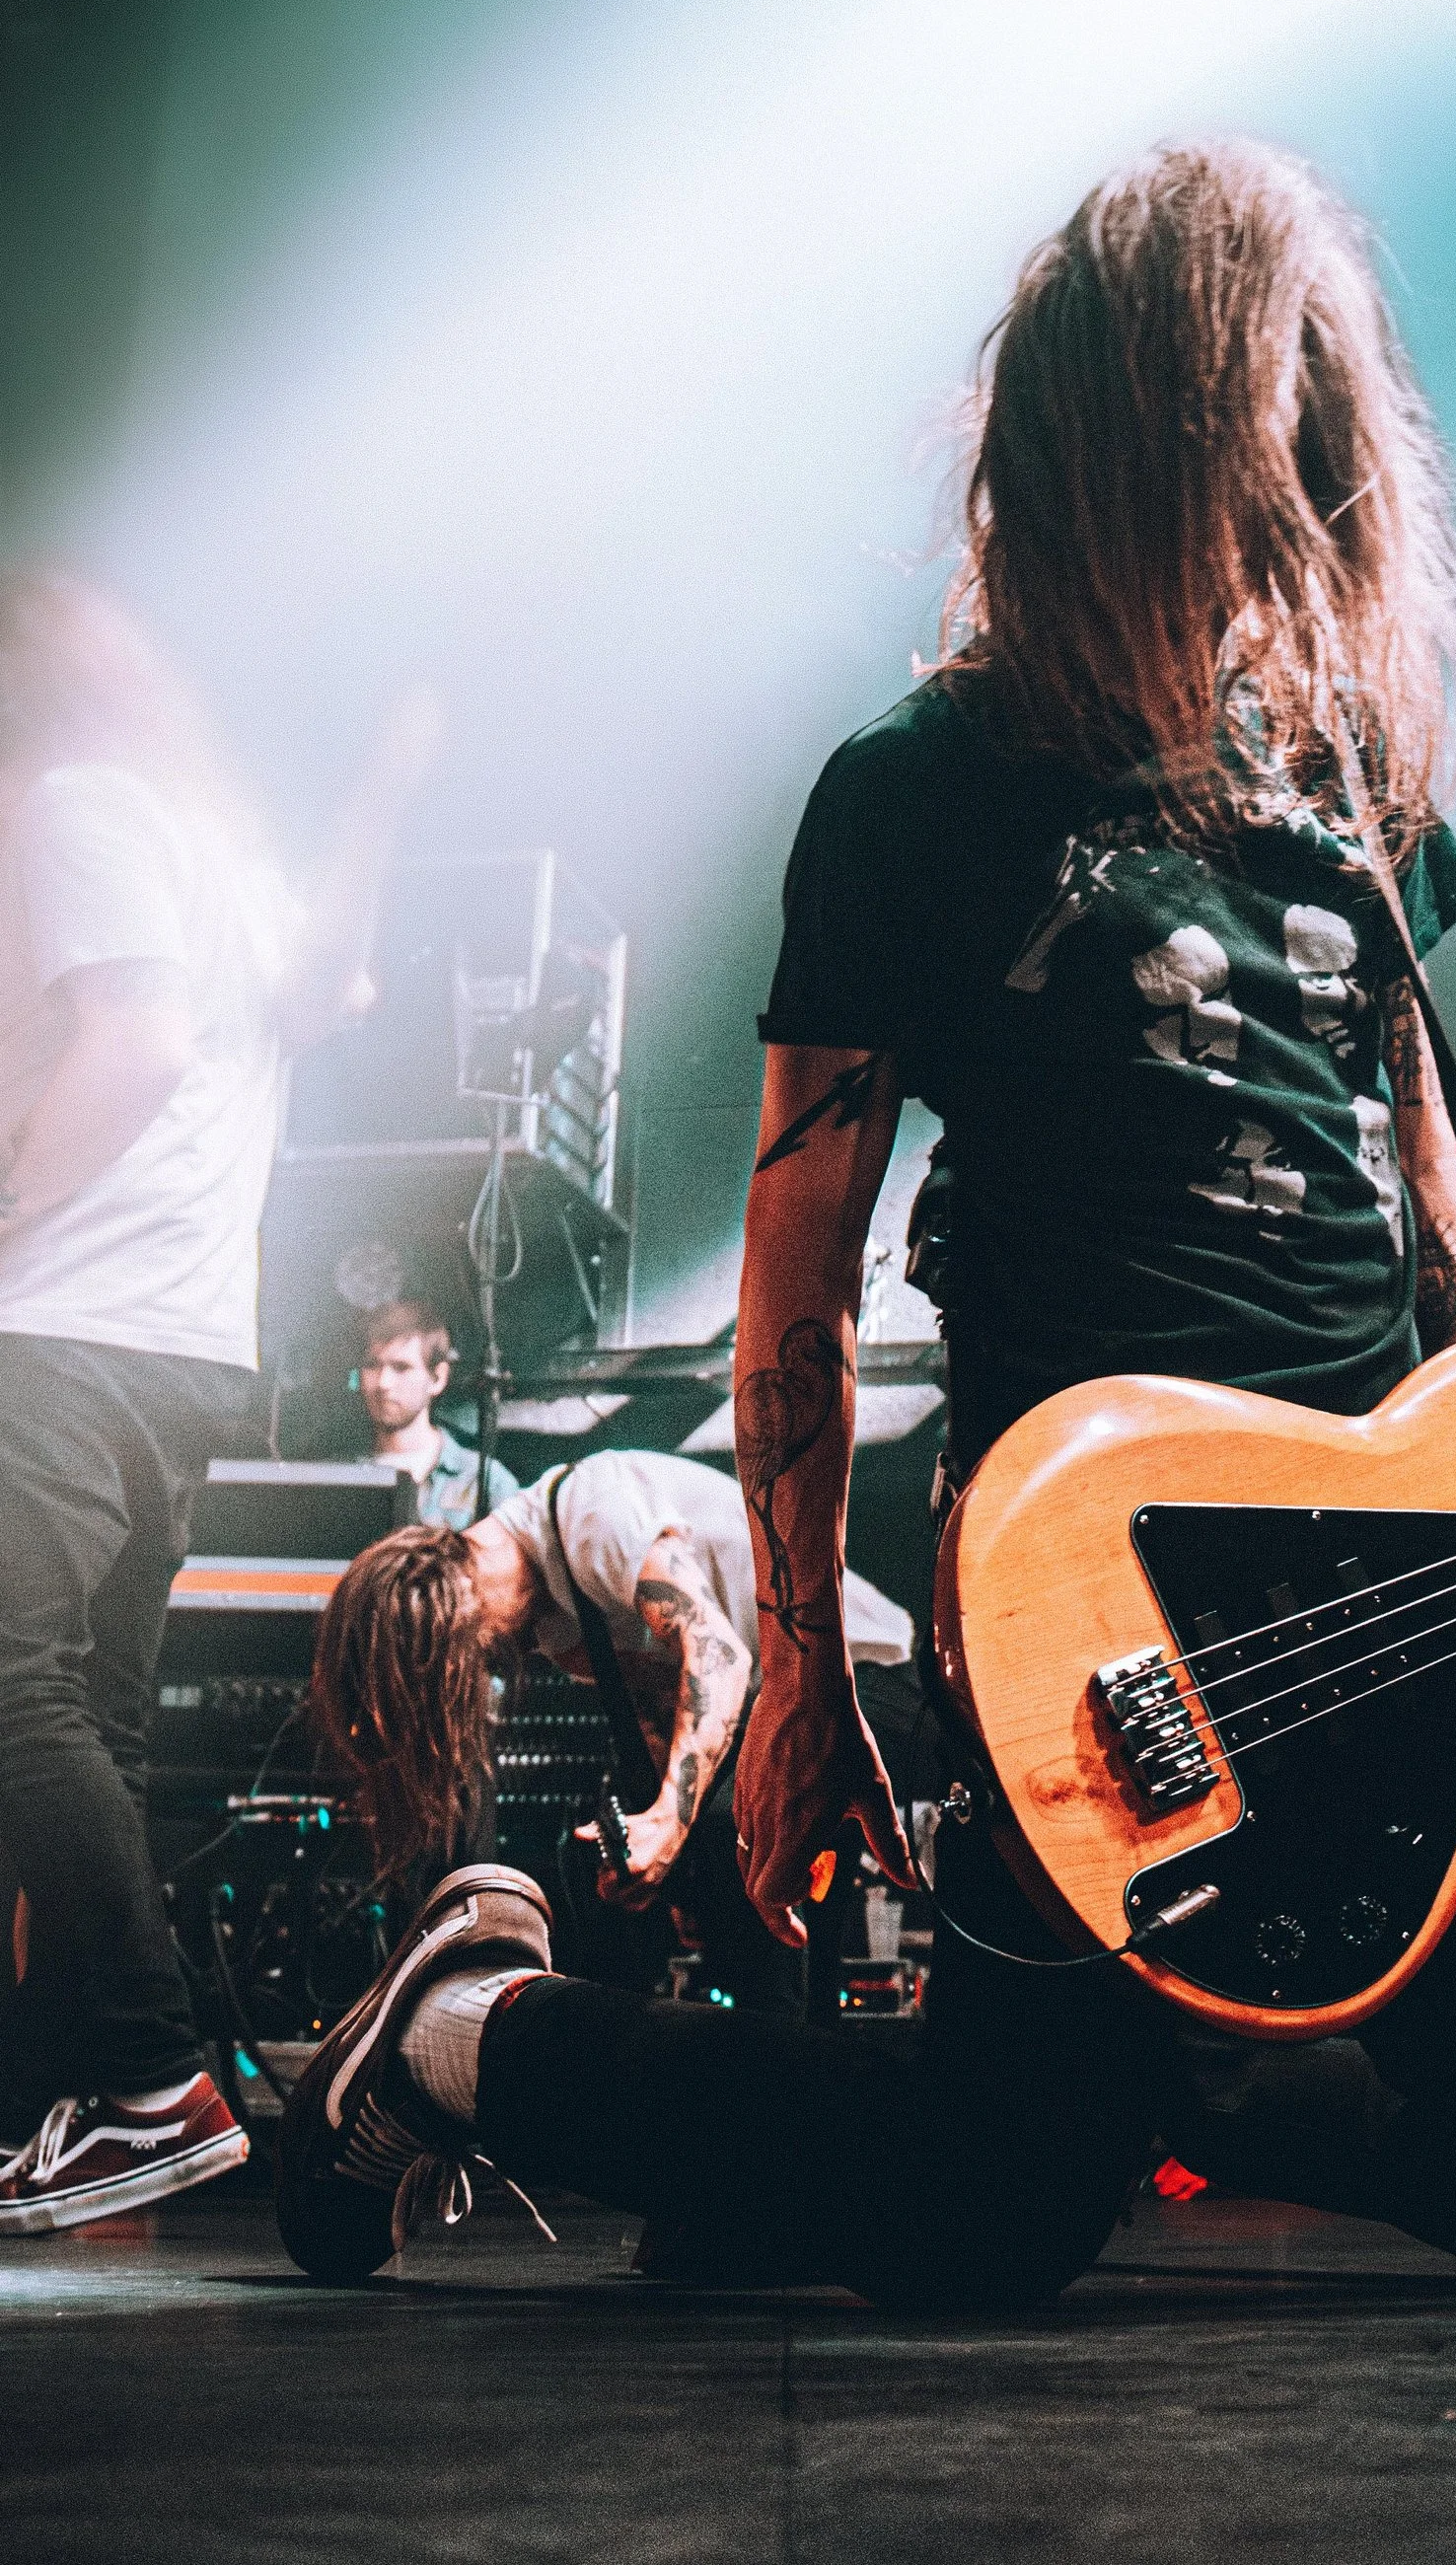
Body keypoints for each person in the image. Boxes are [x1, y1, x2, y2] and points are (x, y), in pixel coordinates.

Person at [278, 141, 1456, 2309]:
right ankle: (464, 2030)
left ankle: (1133, 2088)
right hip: (1091, 1583)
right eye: (1263, 430)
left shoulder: (1346, 782)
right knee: (975, 2219)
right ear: (1132, 441)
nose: (1309, 489)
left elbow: (1439, 1213)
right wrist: (807, 1675)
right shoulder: (916, 794)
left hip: (1393, 1588)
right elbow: (797, 1295)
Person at [0, 571, 441, 2236]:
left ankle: (147, 2074)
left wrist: (6, 1193)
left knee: (7, 1689)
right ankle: (78, 2103)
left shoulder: (79, 804)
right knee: (85, 1722)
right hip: (191, 1336)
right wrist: (384, 799)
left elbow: (141, 1038)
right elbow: (332, 990)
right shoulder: (212, 839)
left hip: (62, 1321)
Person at [309, 1446, 912, 2021]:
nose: (486, 1670)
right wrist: (650, 1852)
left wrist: (669, 1828)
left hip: (868, 1677)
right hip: (779, 1701)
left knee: (738, 1827)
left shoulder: (590, 1510)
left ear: (453, 1609)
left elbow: (720, 1658)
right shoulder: (557, 1629)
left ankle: (788, 2075)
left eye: (469, 1659)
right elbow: (665, 1708)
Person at [349, 1296, 523, 1529]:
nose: (383, 1382)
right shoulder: (338, 1476)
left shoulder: (485, 1480)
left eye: (401, 1367)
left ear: (438, 1378)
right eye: (372, 1365)